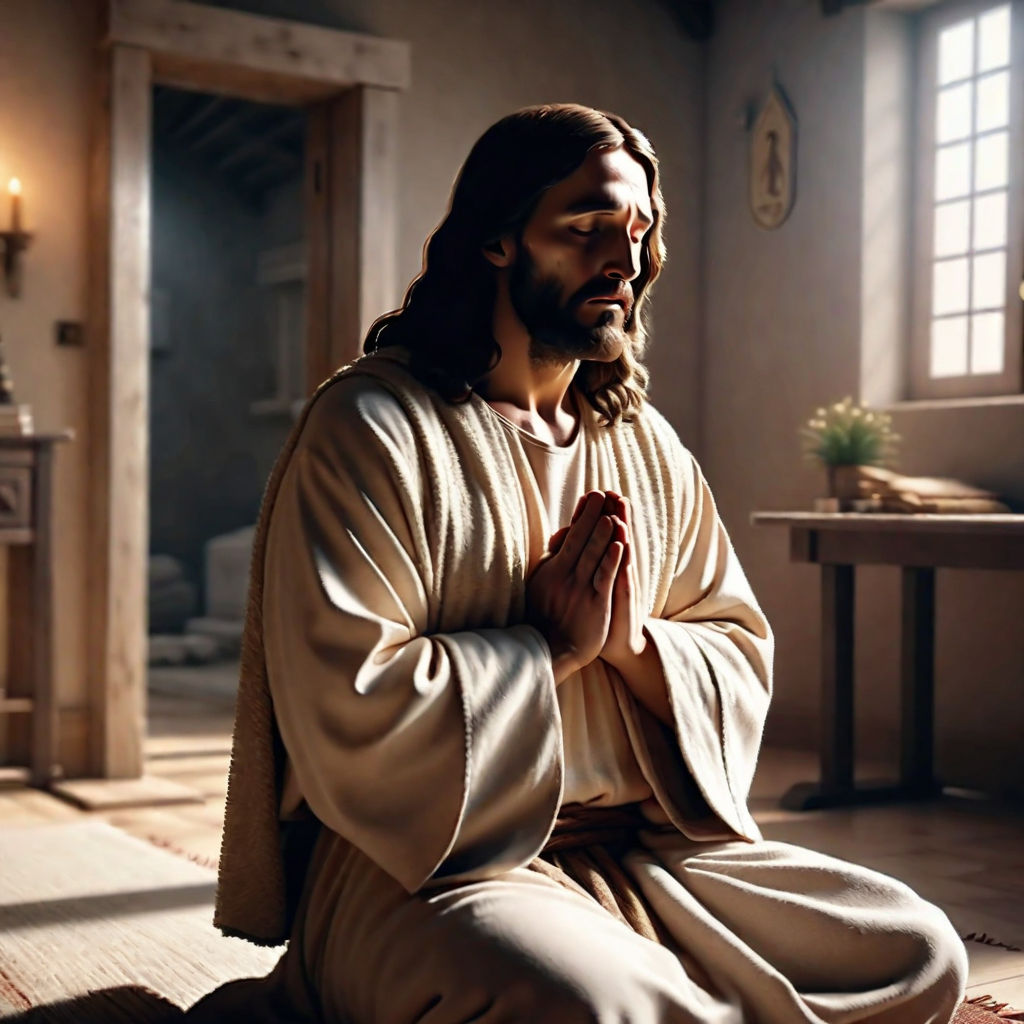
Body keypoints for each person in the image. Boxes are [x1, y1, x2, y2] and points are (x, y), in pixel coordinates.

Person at [200, 104, 967, 1023]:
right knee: (586, 1004)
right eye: (588, 227)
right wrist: (550, 645)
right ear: (495, 240)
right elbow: (346, 700)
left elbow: (734, 646)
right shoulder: (372, 430)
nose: (627, 260)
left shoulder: (645, 445)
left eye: (639, 230)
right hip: (435, 872)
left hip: (646, 856)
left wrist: (631, 641)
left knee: (917, 950)